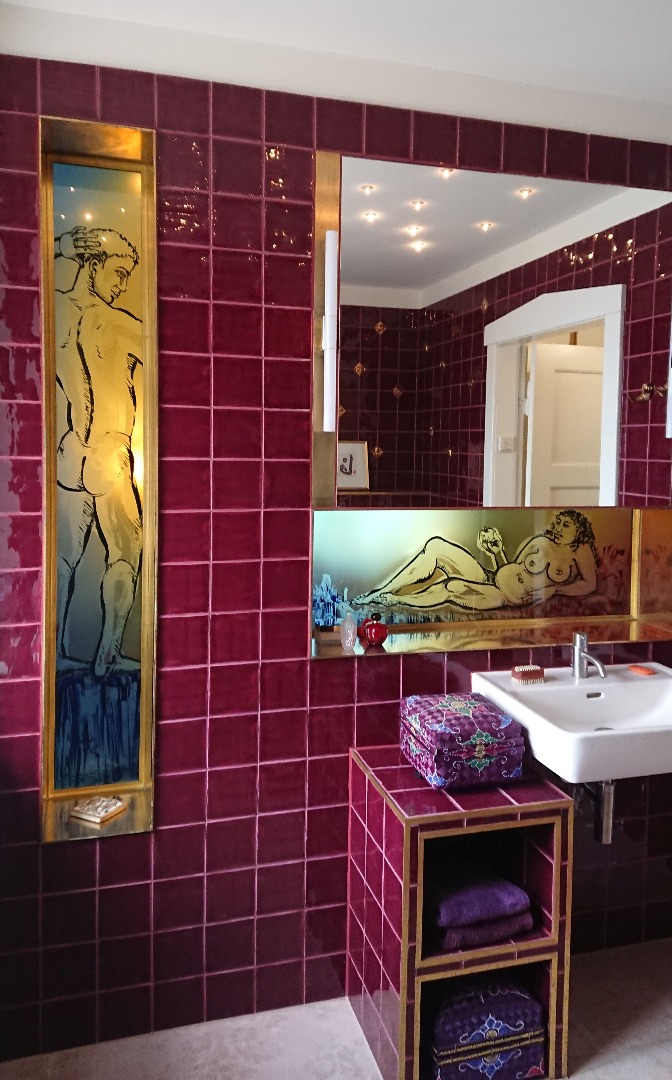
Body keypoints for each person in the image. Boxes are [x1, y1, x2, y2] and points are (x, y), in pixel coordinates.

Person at [54, 225, 143, 677]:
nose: (123, 286)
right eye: (118, 273)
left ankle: (54, 653)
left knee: (64, 559)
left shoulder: (57, 312)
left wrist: (62, 247)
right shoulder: (118, 323)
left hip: (72, 450)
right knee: (126, 552)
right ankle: (107, 654)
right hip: (110, 452)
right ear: (93, 265)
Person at [352, 509, 598, 613]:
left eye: (567, 525)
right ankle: (379, 591)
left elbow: (589, 584)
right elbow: (509, 568)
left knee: (451, 587)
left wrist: (555, 589)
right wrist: (496, 551)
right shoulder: (541, 541)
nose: (559, 528)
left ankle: (396, 599)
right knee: (436, 546)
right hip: (491, 579)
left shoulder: (580, 551)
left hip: (502, 596)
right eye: (559, 523)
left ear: (578, 531)